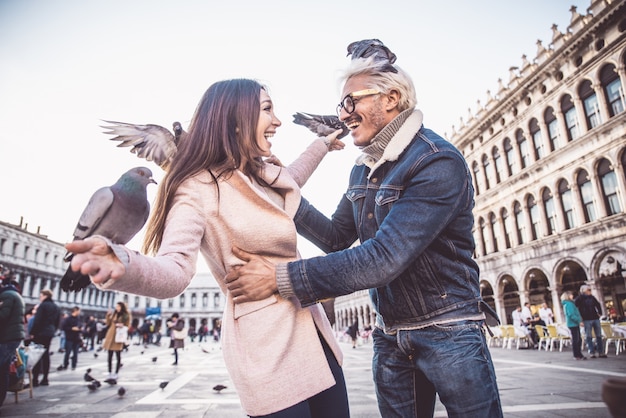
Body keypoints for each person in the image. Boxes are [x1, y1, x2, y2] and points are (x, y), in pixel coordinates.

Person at [224, 40, 503, 418]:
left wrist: (281, 278)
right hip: (390, 334)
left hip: (449, 332)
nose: (344, 115)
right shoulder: (364, 166)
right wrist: (282, 188)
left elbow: (384, 258)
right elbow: (336, 237)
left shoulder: (437, 162)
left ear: (390, 99)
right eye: (341, 106)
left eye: (351, 102)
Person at [65, 78, 350, 418]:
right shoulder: (196, 188)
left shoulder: (262, 172)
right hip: (266, 350)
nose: (277, 121)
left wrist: (323, 144)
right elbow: (174, 270)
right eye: (268, 110)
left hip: (315, 338)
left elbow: (292, 178)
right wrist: (124, 262)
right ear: (235, 119)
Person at [0, 266, 25, 410]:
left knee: (2, 369)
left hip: (7, 337)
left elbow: (3, 316)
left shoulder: (7, 296)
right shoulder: (13, 294)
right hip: (11, 337)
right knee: (3, 369)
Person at [29, 289, 60, 387]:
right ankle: (45, 378)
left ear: (45, 295)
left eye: (40, 295)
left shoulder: (42, 306)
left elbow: (38, 320)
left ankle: (35, 380)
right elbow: (57, 321)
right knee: (45, 354)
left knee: (37, 355)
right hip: (49, 332)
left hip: (40, 332)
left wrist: (33, 332)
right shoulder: (56, 307)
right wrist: (53, 330)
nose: (40, 297)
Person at [575, 284, 607, 358]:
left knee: (599, 335)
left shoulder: (592, 297)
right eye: (588, 290)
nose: (590, 291)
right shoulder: (579, 298)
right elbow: (575, 309)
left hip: (595, 318)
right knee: (588, 336)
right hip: (586, 319)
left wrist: (600, 313)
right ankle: (591, 352)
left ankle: (601, 352)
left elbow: (598, 304)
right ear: (583, 291)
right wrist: (580, 319)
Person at [102, 302, 131, 380]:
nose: (117, 307)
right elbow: (108, 323)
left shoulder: (126, 315)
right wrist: (108, 315)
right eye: (116, 306)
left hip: (119, 336)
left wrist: (122, 325)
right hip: (111, 335)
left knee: (118, 356)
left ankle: (116, 373)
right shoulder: (114, 314)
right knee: (109, 355)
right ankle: (109, 372)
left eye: (118, 306)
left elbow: (127, 325)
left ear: (122, 307)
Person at [561, 290, 586, 360]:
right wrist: (579, 321)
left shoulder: (569, 303)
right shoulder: (569, 304)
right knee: (576, 339)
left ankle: (578, 354)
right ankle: (577, 354)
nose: (572, 296)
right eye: (571, 295)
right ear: (568, 296)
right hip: (573, 323)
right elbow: (571, 314)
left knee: (577, 339)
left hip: (572, 323)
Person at [57, 306, 82, 371]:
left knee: (75, 353)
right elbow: (64, 327)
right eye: (79, 311)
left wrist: (80, 329)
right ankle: (65, 364)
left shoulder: (78, 319)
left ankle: (74, 365)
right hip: (69, 338)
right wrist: (71, 328)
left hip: (76, 338)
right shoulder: (68, 319)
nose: (80, 312)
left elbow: (80, 326)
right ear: (75, 311)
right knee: (68, 352)